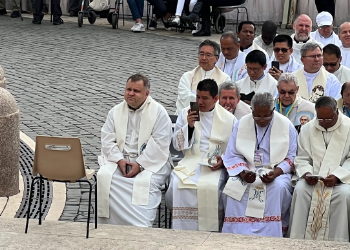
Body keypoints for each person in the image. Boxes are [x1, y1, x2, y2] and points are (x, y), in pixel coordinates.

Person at [97, 74, 171, 227]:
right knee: (104, 176)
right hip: (120, 160)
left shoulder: (159, 112)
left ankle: (140, 226)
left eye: (136, 91)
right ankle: (108, 225)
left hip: (150, 163)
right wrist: (119, 160)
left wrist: (140, 164)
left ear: (146, 94)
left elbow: (160, 143)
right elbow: (107, 139)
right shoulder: (115, 111)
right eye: (128, 89)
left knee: (146, 182)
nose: (130, 93)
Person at [222, 92, 297, 237]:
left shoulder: (286, 125)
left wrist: (275, 173)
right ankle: (236, 234)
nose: (261, 120)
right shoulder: (242, 123)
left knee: (277, 188)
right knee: (232, 189)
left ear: (273, 110)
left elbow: (292, 157)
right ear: (252, 110)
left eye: (266, 116)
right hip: (248, 169)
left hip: (275, 171)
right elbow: (232, 154)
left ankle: (270, 234)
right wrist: (243, 172)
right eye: (257, 116)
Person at [168, 78, 236, 231]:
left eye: (204, 98)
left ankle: (210, 232)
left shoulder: (229, 119)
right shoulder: (186, 113)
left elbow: (234, 148)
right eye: (198, 97)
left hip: (214, 165)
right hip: (191, 161)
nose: (199, 102)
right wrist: (189, 126)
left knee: (212, 187)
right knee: (177, 185)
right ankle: (182, 232)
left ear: (216, 98)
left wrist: (223, 161)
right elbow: (176, 146)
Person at [289, 96, 350, 241]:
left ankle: (338, 242)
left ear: (336, 113)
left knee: (343, 195)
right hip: (314, 179)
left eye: (328, 119)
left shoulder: (348, 127)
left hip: (342, 180)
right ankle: (297, 241)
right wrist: (307, 173)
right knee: (300, 190)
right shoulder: (308, 128)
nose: (323, 123)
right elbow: (302, 157)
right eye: (320, 119)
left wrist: (337, 176)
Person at [176, 40, 230, 112]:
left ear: (216, 59)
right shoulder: (187, 76)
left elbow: (222, 102)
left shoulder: (225, 79)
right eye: (201, 54)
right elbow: (184, 98)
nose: (203, 58)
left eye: (208, 55)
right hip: (188, 114)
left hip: (212, 117)